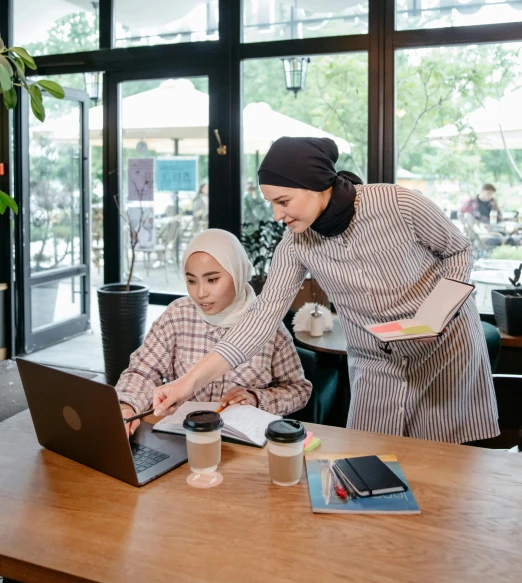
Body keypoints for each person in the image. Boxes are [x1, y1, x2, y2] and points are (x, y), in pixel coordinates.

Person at [152, 137, 499, 446]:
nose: (276, 214)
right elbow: (259, 320)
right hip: (376, 358)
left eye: (283, 201)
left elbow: (458, 250)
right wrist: (187, 383)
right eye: (271, 203)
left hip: (444, 348)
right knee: (366, 456)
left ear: (316, 184)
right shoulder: (295, 244)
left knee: (443, 462)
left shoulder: (398, 204)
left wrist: (434, 316)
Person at [117, 228, 311, 436]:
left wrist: (256, 398)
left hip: (243, 447)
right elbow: (142, 372)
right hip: (184, 439)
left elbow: (299, 390)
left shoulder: (268, 326)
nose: (200, 293)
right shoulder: (178, 315)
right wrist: (127, 406)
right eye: (191, 281)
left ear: (238, 274)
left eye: (212, 280)